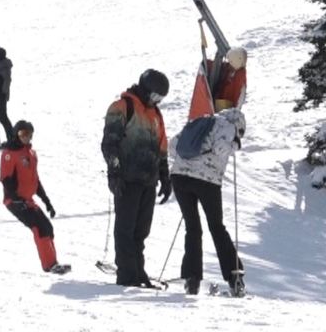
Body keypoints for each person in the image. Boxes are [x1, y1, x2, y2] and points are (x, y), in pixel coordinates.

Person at [102, 69, 171, 288]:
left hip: (148, 182)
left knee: (141, 231)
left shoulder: (155, 114)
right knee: (126, 229)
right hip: (127, 179)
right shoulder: (122, 107)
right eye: (154, 96)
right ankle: (127, 275)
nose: (155, 101)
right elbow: (109, 144)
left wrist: (165, 175)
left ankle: (138, 272)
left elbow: (161, 147)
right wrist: (114, 173)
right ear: (144, 89)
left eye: (159, 99)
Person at [169, 108, 247, 296]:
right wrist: (235, 145)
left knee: (192, 227)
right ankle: (233, 276)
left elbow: (173, 146)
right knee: (216, 227)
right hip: (207, 181)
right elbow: (221, 149)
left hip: (179, 178)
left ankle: (192, 278)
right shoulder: (229, 127)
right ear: (239, 125)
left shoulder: (201, 120)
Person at [0, 120, 69, 274]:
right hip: (15, 200)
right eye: (22, 134)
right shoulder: (9, 154)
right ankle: (49, 265)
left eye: (29, 135)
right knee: (39, 228)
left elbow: (35, 181)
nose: (26, 138)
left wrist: (47, 202)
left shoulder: (30, 154)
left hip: (28, 200)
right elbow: (6, 179)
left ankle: (53, 263)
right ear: (16, 134)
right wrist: (16, 200)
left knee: (48, 228)